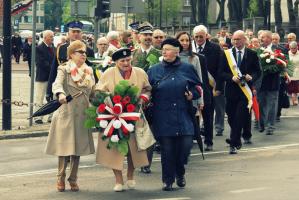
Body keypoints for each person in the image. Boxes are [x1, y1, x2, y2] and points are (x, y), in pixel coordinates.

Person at [147, 38, 201, 191]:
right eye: (163, 49)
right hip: (162, 116)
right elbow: (146, 89)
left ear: (177, 52)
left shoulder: (187, 68)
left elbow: (198, 88)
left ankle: (180, 172)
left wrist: (193, 94)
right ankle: (168, 180)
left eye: (168, 49)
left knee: (185, 146)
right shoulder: (154, 70)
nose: (164, 51)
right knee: (167, 149)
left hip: (183, 115)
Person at [95, 48, 151, 192]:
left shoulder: (140, 72)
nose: (126, 63)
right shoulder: (108, 73)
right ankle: (118, 179)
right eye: (122, 61)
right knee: (115, 149)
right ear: (116, 62)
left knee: (134, 149)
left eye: (128, 60)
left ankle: (131, 175)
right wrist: (108, 99)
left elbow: (147, 88)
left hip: (134, 116)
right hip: (113, 117)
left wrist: (144, 97)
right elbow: (98, 92)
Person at [45, 40, 95, 192]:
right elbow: (57, 84)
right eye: (81, 52)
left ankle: (73, 178)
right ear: (72, 54)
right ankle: (60, 177)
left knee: (77, 149)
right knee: (64, 149)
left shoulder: (89, 71)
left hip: (82, 115)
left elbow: (93, 92)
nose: (84, 55)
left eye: (85, 52)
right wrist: (60, 93)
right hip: (67, 113)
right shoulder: (64, 69)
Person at [218, 30, 262, 154]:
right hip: (231, 90)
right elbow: (221, 72)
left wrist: (251, 76)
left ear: (244, 40)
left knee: (239, 116)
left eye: (238, 39)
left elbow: (258, 71)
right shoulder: (226, 54)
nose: (235, 41)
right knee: (231, 117)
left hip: (245, 92)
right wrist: (230, 78)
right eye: (234, 39)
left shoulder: (252, 54)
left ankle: (233, 142)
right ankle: (237, 139)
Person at [131, 22, 161, 174]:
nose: (148, 37)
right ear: (139, 37)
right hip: (136, 99)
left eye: (150, 35)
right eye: (145, 35)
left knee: (151, 131)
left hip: (154, 98)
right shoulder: (132, 54)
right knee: (137, 131)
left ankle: (146, 163)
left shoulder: (159, 54)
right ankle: (137, 160)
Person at [192, 25, 224, 151]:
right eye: (196, 37)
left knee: (208, 115)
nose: (199, 39)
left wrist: (219, 87)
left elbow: (220, 69)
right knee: (193, 115)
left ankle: (209, 141)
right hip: (193, 87)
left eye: (201, 36)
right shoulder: (190, 48)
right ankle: (195, 138)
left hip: (209, 87)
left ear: (206, 36)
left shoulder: (215, 48)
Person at [46, 21, 95, 102]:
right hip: (64, 89)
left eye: (78, 31)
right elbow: (54, 70)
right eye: (73, 31)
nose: (76, 34)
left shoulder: (88, 50)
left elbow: (92, 72)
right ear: (68, 33)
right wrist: (49, 91)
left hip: (82, 90)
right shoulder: (61, 48)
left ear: (81, 33)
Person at [34, 30, 55, 124]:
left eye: (53, 36)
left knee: (52, 97)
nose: (52, 38)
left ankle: (51, 116)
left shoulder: (54, 48)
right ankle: (38, 117)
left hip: (52, 78)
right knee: (39, 97)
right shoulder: (39, 48)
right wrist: (52, 69)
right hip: (42, 77)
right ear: (45, 37)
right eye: (51, 36)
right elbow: (40, 62)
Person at [288, 41, 299, 105]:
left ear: (297, 47)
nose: (293, 49)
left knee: (296, 88)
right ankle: (294, 99)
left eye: (294, 48)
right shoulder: (287, 53)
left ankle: (294, 100)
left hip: (298, 73)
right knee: (291, 88)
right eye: (291, 48)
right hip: (290, 73)